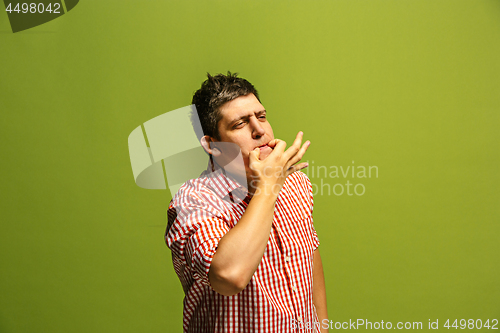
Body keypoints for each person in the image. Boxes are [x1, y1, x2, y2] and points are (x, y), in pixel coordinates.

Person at [165, 72, 328, 332]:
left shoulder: (295, 183)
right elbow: (230, 276)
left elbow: (309, 255)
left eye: (261, 117)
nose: (260, 130)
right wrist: (269, 187)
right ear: (212, 144)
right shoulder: (193, 201)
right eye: (240, 123)